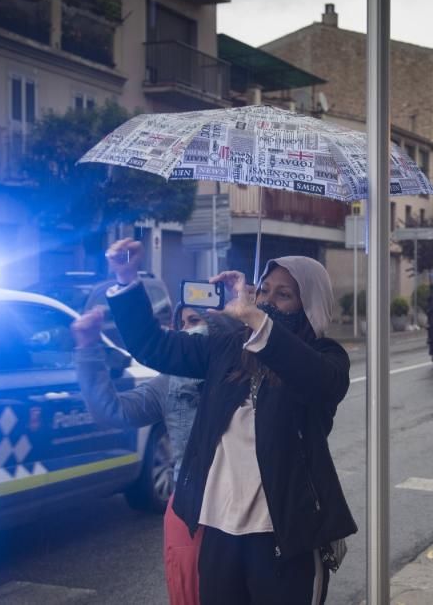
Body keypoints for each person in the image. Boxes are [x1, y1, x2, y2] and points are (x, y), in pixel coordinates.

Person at [100, 238, 357, 605]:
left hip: (285, 534)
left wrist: (255, 317)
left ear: (310, 307)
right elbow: (154, 347)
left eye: (284, 295)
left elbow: (315, 378)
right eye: (264, 290)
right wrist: (127, 280)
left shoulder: (326, 358)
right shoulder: (225, 347)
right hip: (219, 531)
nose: (268, 300)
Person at [72, 301, 210, 605]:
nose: (191, 331)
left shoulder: (245, 375)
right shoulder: (168, 383)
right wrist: (87, 349)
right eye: (183, 324)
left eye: (198, 321)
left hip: (242, 513)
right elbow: (112, 410)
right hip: (189, 513)